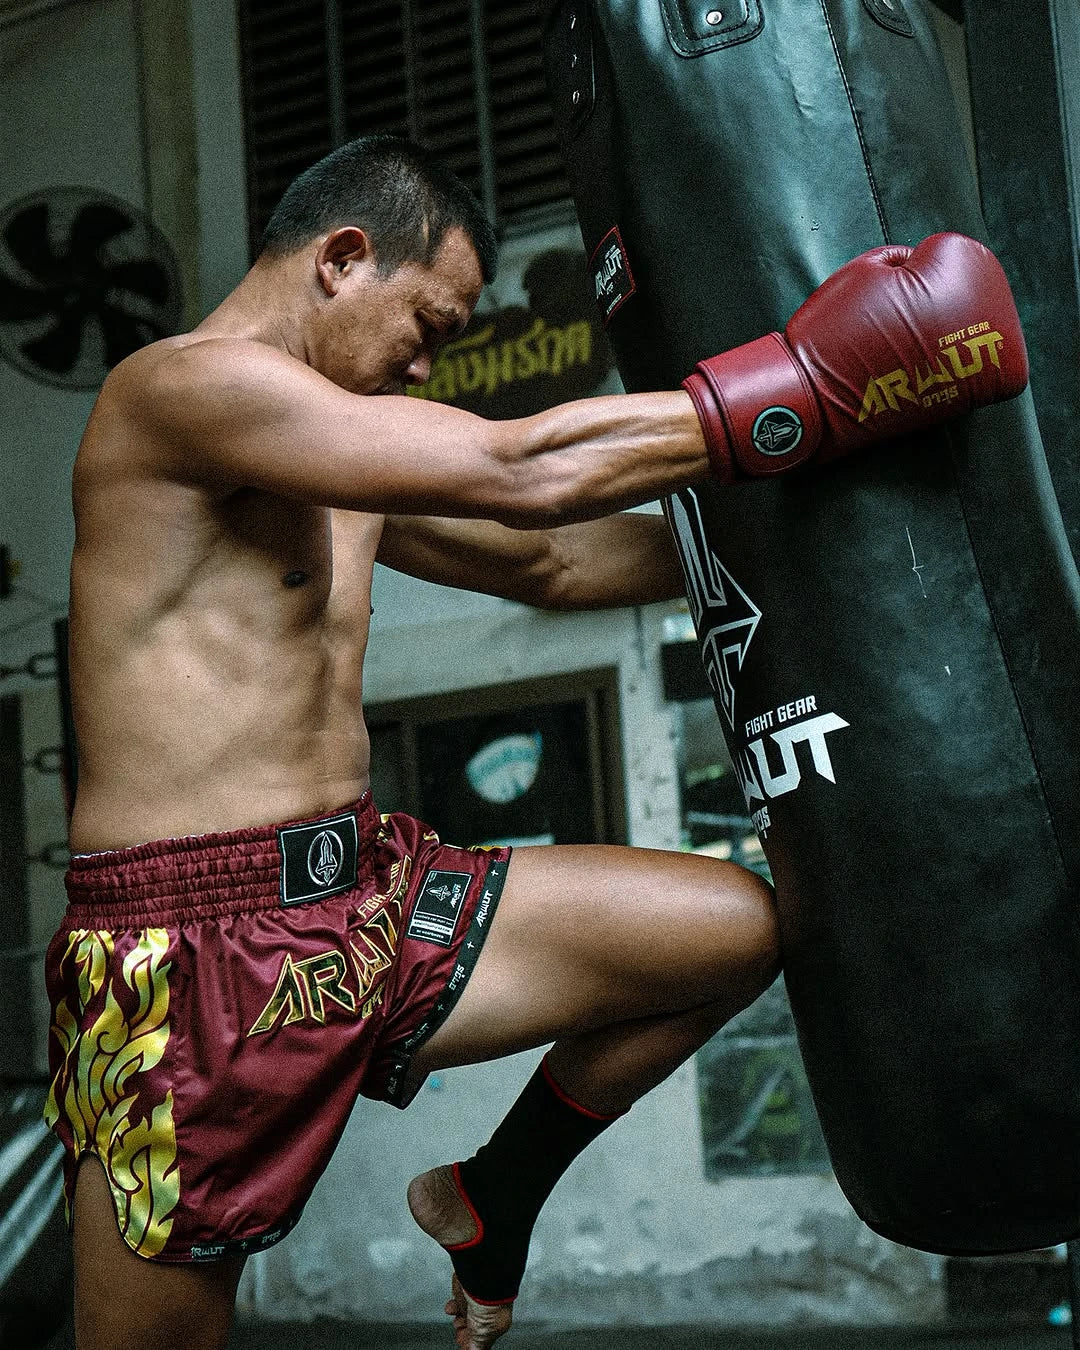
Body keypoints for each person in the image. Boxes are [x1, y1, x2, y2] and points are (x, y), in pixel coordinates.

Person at [44, 135, 1026, 1350]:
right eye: (429, 324)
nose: (427, 357)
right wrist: (817, 386)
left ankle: (494, 1196)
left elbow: (556, 560)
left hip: (363, 903)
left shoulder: (341, 448)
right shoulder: (179, 389)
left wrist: (834, 525)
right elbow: (525, 472)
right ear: (344, 259)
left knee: (737, 931)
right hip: (188, 950)